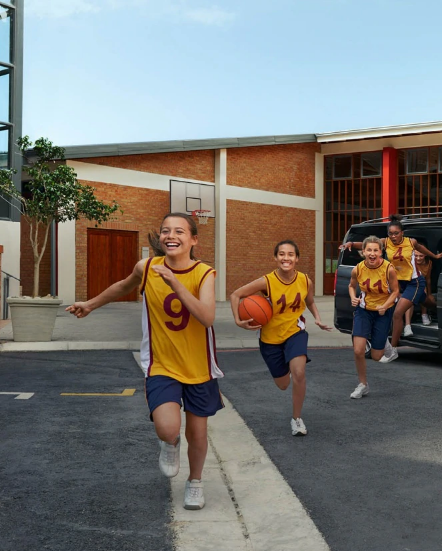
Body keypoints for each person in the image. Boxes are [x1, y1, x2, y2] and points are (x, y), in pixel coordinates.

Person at [66, 212, 221, 510]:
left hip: (199, 365)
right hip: (161, 364)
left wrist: (175, 283)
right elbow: (123, 286)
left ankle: (195, 482)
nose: (170, 236)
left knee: (198, 432)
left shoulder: (204, 274)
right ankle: (170, 443)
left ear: (193, 239)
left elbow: (207, 317)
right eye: (165, 231)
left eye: (178, 231)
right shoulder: (147, 266)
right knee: (167, 427)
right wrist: (91, 304)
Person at [229, 239, 332, 436]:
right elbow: (235, 295)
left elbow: (309, 302)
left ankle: (297, 419)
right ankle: (290, 370)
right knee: (283, 384)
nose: (286, 258)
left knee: (299, 373)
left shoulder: (305, 280)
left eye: (290, 254)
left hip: (295, 332)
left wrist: (317, 319)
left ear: (297, 258)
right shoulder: (266, 281)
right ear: (275, 258)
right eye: (282, 254)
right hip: (270, 339)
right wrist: (237, 320)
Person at [339, 215, 442, 360]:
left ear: (402, 233)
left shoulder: (411, 242)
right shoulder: (385, 242)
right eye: (391, 233)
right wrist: (350, 243)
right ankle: (436, 310)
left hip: (414, 282)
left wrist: (435, 257)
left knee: (397, 313)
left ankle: (392, 350)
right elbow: (366, 244)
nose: (393, 236)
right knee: (427, 302)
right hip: (400, 283)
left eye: (396, 233)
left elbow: (422, 249)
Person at [347, 235, 400, 398]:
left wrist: (385, 305)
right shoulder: (357, 268)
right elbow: (351, 285)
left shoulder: (388, 269)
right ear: (363, 252)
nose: (372, 253)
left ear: (381, 252)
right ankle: (363, 384)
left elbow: (396, 291)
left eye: (375, 250)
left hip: (383, 311)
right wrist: (353, 297)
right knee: (358, 350)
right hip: (364, 310)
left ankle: (388, 346)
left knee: (377, 356)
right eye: (369, 250)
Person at [414, 251, 437, 325]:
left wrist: (429, 294)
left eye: (421, 256)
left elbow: (428, 279)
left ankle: (424, 314)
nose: (418, 258)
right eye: (416, 255)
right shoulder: (410, 262)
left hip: (421, 283)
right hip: (411, 282)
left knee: (424, 291)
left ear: (425, 255)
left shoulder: (429, 263)